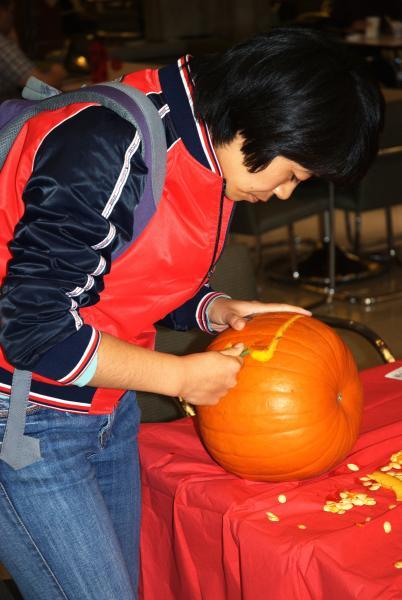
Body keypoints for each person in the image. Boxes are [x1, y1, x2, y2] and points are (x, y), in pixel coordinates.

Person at [0, 27, 383, 599]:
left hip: (106, 402)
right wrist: (179, 377)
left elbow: (125, 272)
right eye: (294, 175)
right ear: (268, 123)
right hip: (25, 419)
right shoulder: (109, 143)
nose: (284, 196)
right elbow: (33, 330)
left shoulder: (208, 150)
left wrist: (215, 308)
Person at [0, 0, 66, 102]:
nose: (13, 18)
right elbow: (43, 89)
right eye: (11, 12)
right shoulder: (2, 45)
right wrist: (57, 72)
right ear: (3, 12)